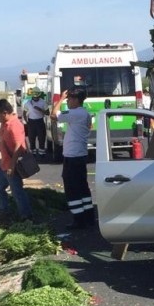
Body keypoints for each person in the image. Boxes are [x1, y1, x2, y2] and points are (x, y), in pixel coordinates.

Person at [50, 88, 94, 229]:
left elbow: (53, 115)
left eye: (69, 99)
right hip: (79, 155)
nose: (67, 102)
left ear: (76, 100)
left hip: (73, 156)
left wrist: (60, 98)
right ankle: (88, 217)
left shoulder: (76, 113)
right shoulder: (84, 113)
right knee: (82, 187)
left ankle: (78, 220)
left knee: (72, 188)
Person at [0, 98, 33, 223]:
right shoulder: (4, 124)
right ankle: (4, 213)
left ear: (5, 112)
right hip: (4, 166)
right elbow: (1, 143)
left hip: (12, 166)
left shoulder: (15, 125)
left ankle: (26, 216)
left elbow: (19, 145)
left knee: (17, 191)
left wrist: (12, 166)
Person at [25, 87, 49, 155]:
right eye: (34, 96)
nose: (35, 97)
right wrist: (27, 121)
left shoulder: (43, 102)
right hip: (31, 122)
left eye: (37, 96)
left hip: (40, 121)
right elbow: (24, 112)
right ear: (32, 95)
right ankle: (33, 152)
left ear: (39, 95)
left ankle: (41, 152)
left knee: (41, 137)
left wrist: (40, 109)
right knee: (31, 138)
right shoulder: (28, 103)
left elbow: (47, 113)